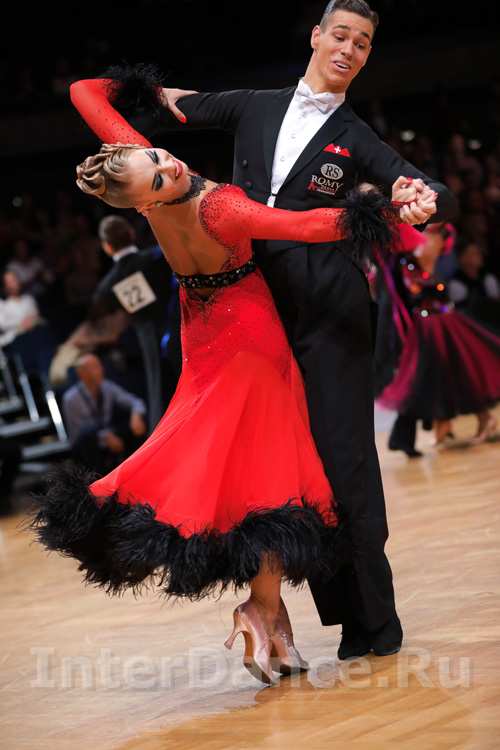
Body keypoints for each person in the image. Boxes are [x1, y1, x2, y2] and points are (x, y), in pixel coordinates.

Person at [25, 64, 435, 684]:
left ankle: (273, 622)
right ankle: (261, 609)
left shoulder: (134, 180)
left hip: (201, 333)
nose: (169, 164)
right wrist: (385, 212)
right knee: (268, 477)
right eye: (158, 175)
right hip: (253, 339)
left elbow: (83, 92)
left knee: (236, 469)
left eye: (157, 154)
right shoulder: (217, 206)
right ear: (143, 202)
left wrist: (148, 94)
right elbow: (302, 226)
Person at [140, 0, 458, 658]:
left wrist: (422, 202)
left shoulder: (356, 136)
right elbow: (170, 105)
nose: (349, 49)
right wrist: (124, 90)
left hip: (330, 314)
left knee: (345, 463)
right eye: (341, 35)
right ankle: (335, 617)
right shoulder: (252, 105)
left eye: (362, 43)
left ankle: (376, 622)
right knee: (292, 470)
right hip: (258, 311)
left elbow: (431, 192)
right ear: (316, 37)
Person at [376, 223, 500, 447]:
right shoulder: (405, 262)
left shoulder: (424, 255)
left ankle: (482, 419)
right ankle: (444, 424)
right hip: (426, 324)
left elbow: (423, 252)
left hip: (438, 322)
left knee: (453, 370)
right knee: (439, 373)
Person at [92, 214, 181, 431]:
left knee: (162, 401)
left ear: (107, 247)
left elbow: (101, 303)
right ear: (132, 234)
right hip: (180, 331)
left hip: (149, 345)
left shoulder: (108, 285)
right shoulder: (157, 257)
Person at [62, 353, 147, 475]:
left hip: (110, 435)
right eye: (95, 367)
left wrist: (136, 415)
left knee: (136, 424)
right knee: (87, 435)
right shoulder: (70, 399)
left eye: (100, 365)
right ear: (82, 374)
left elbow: (135, 402)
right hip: (89, 446)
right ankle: (97, 480)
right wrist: (105, 437)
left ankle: (138, 470)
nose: (101, 370)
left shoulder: (107, 387)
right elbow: (77, 435)